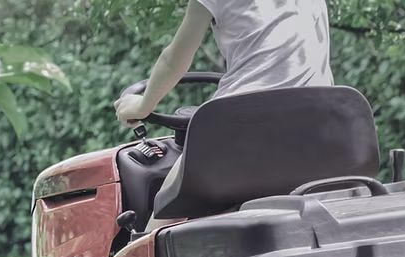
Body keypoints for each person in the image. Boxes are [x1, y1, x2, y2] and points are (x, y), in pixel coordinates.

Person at [114, 0, 334, 231]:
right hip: (320, 131)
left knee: (166, 201)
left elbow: (174, 60)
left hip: (245, 127)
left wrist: (142, 106)